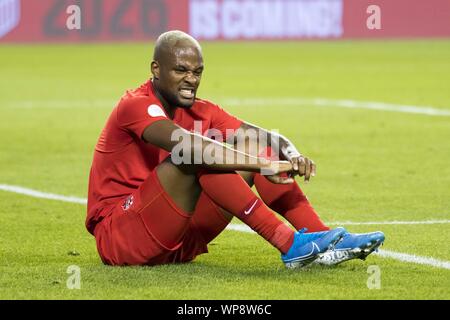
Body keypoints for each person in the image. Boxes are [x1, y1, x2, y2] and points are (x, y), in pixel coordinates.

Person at [86, 30, 384, 268]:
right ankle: (288, 244)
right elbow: (190, 147)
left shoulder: (200, 110)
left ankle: (323, 243)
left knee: (254, 147)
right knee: (197, 153)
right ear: (156, 69)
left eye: (197, 71)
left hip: (179, 238)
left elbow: (268, 138)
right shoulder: (134, 105)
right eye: (181, 70)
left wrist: (290, 155)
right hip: (122, 238)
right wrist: (263, 166)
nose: (191, 79)